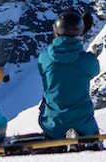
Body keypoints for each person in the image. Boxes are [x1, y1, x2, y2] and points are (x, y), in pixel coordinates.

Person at [36, 9, 101, 140]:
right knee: (94, 145)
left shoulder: (44, 58)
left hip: (52, 124)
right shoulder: (88, 61)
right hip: (84, 125)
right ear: (80, 32)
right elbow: (94, 70)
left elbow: (47, 69)